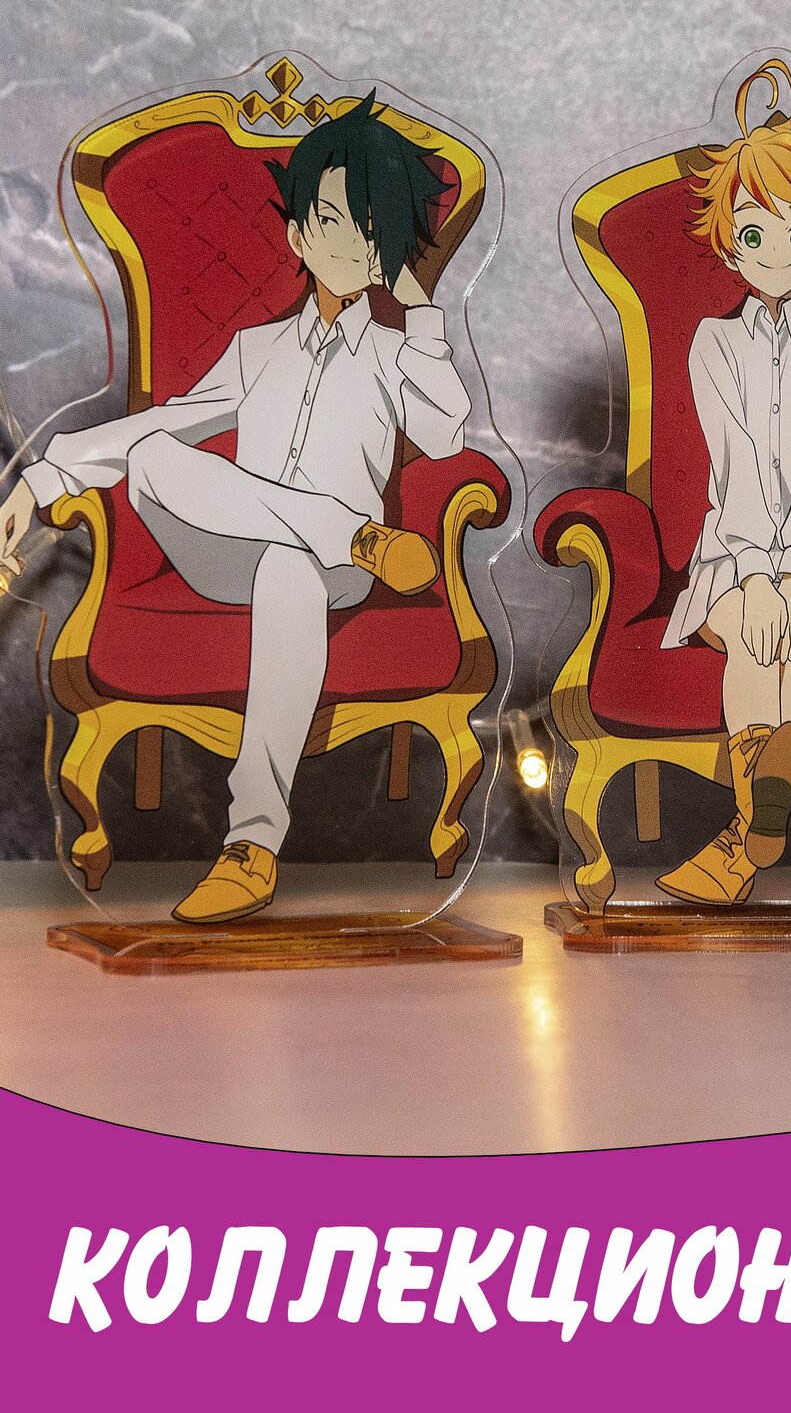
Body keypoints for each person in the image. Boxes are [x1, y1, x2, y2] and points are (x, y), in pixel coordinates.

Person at [0, 93, 472, 924]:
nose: (349, 243)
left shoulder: (398, 354)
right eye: (332, 220)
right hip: (247, 549)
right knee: (155, 455)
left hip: (326, 574)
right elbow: (167, 423)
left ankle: (251, 845)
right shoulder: (257, 350)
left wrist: (421, 307)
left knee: (290, 568)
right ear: (298, 235)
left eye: (371, 226)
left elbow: (442, 433)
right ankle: (351, 533)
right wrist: (42, 478)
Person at [657, 59, 791, 905]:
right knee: (753, 625)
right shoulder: (713, 341)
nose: (775, 252)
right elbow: (733, 457)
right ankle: (766, 803)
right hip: (730, 547)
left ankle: (745, 838)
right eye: (754, 234)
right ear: (728, 242)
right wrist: (754, 569)